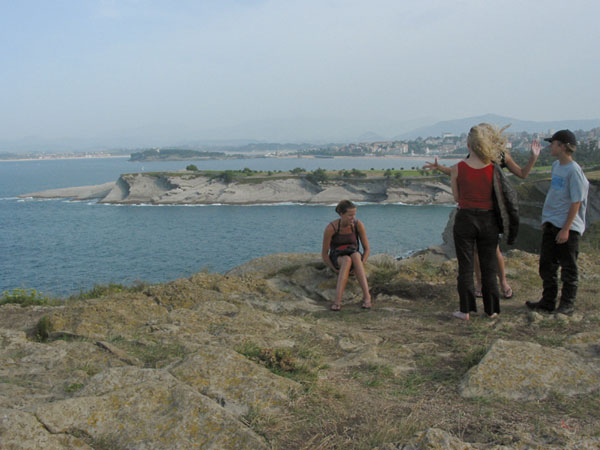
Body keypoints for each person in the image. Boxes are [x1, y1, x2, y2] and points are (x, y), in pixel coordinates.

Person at [425, 129, 541, 298]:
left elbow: (523, 174)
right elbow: (458, 172)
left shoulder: (500, 155)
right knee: (477, 251)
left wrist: (533, 158)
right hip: (475, 211)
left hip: (493, 211)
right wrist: (439, 167)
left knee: (494, 250)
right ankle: (480, 284)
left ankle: (502, 282)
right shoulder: (473, 155)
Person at [526, 130, 589, 315]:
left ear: (562, 146)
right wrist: (547, 220)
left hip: (567, 227)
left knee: (568, 268)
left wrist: (566, 229)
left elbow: (576, 202)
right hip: (552, 223)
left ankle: (566, 305)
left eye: (553, 143)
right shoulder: (556, 166)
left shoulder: (574, 171)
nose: (550, 146)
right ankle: (548, 302)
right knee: (547, 265)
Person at [450, 124, 503, 319]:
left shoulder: (457, 168)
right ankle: (492, 310)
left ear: (468, 144)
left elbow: (457, 197)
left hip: (465, 218)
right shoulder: (494, 168)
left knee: (466, 266)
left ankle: (465, 310)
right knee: (489, 266)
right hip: (488, 218)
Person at [322, 200, 371, 311]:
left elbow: (367, 249)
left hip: (354, 254)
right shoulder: (331, 228)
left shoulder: (358, 225)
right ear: (341, 214)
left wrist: (361, 265)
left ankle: (367, 297)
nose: (353, 218)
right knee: (347, 260)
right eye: (350, 215)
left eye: (354, 215)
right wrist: (334, 269)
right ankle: (337, 301)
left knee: (355, 256)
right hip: (337, 256)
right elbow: (324, 254)